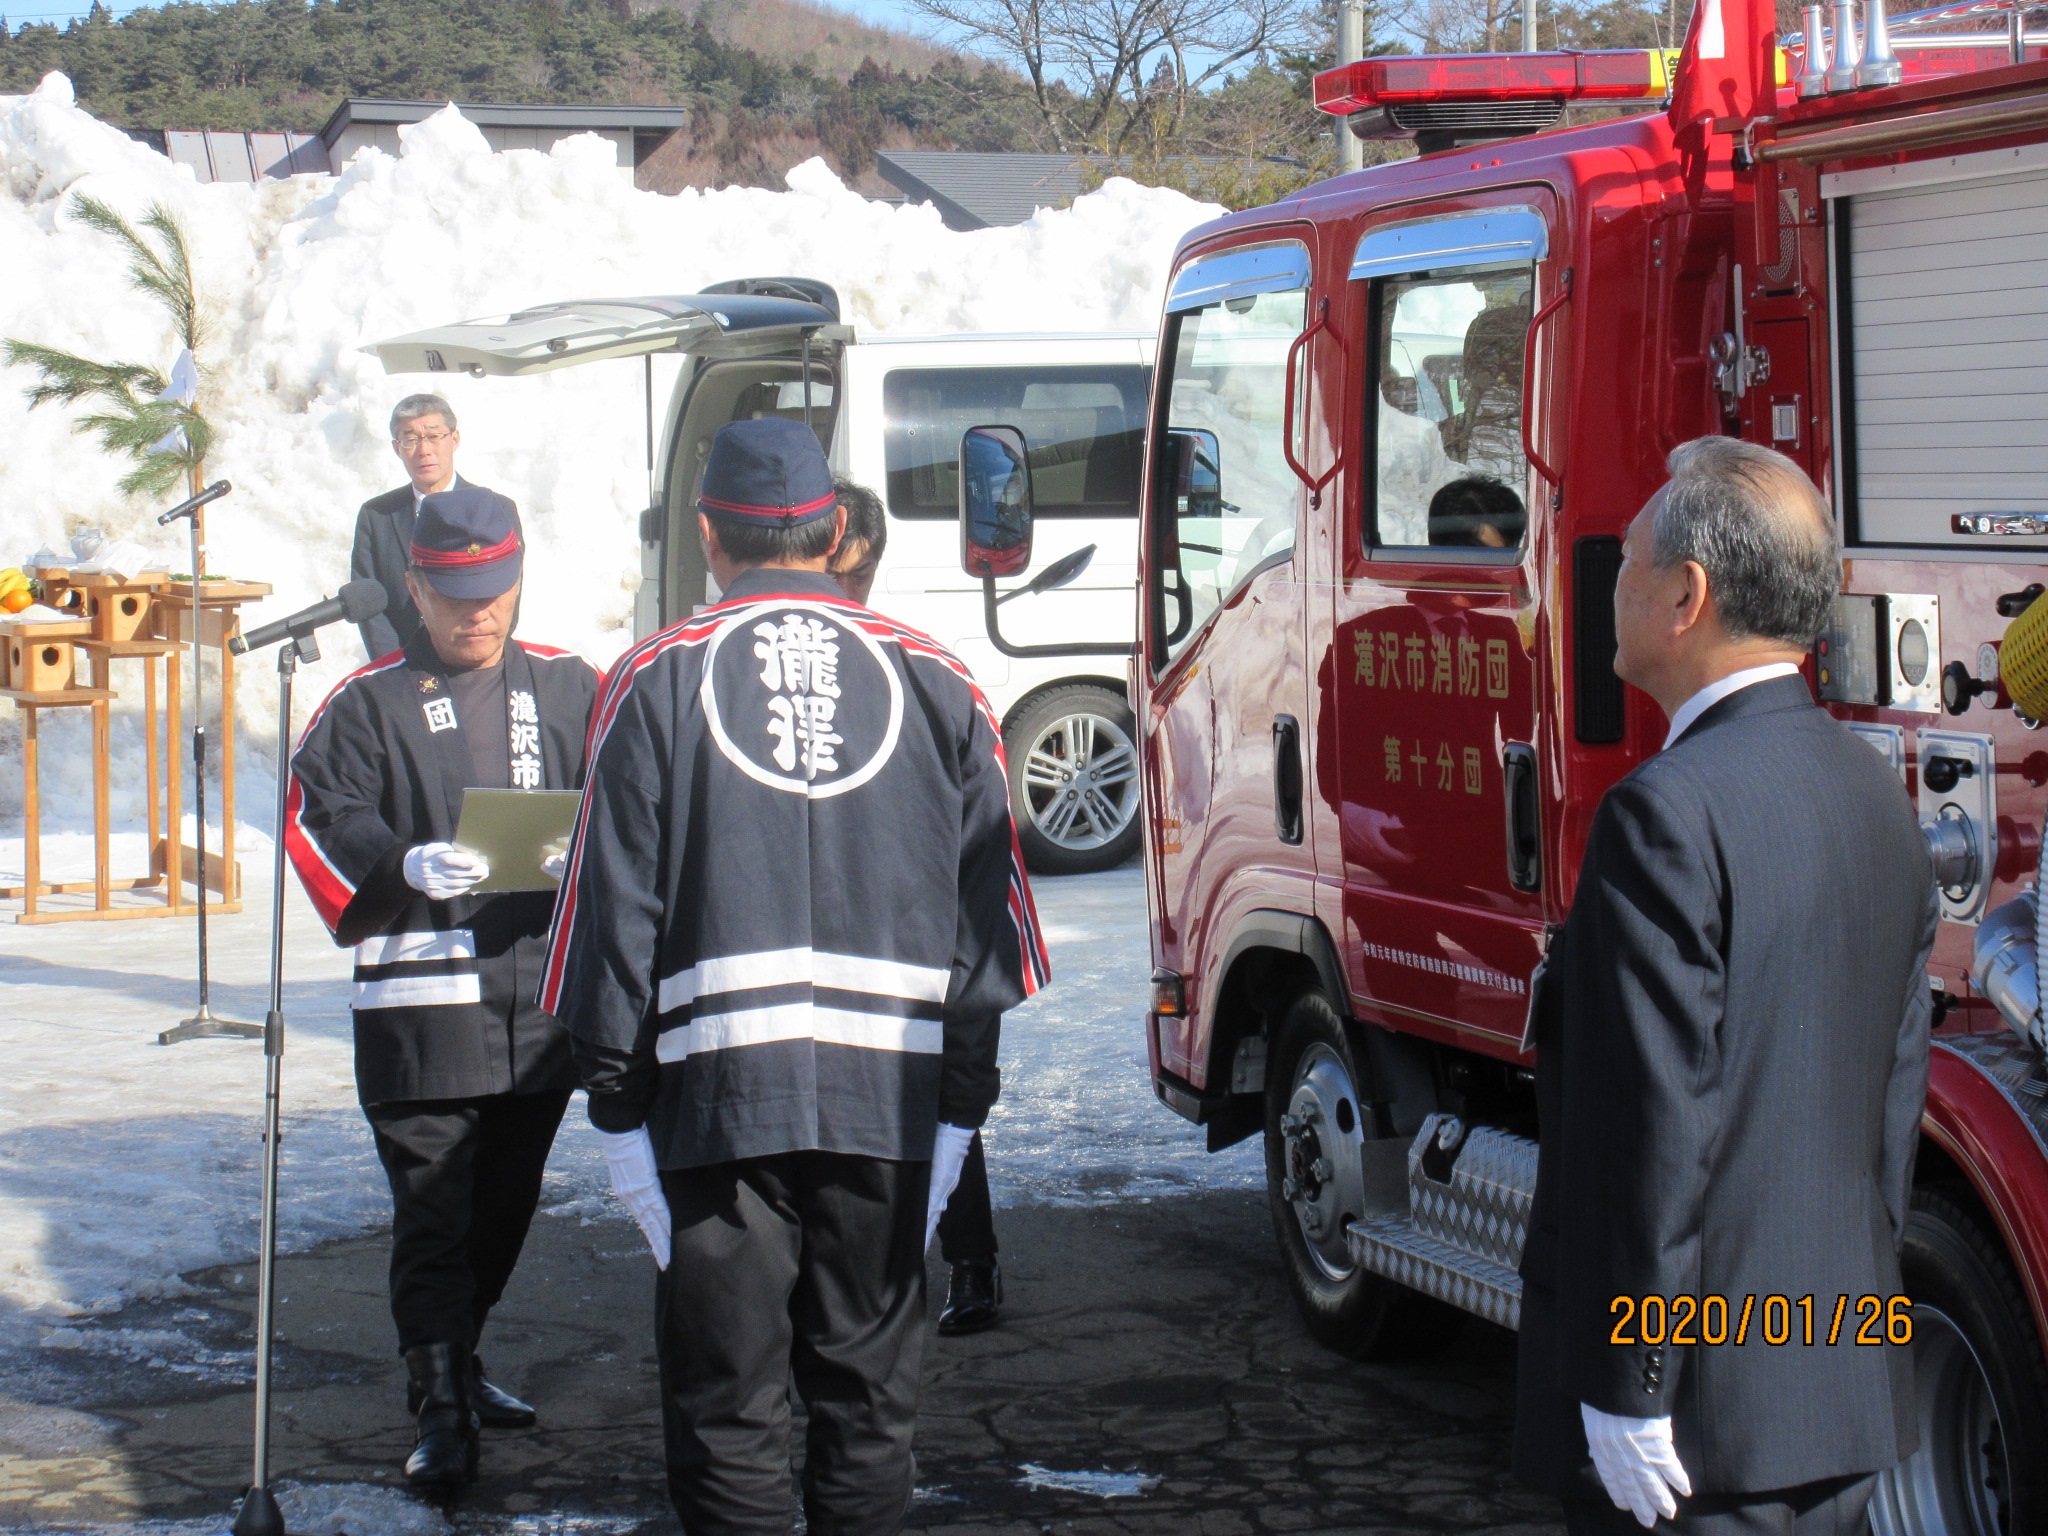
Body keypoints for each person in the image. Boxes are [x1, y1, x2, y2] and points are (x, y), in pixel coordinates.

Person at [541, 419, 1049, 1535]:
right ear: (830, 533)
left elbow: (611, 916)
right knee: (868, 1403)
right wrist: (962, 1110)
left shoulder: (654, 674)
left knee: (727, 1408)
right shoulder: (938, 676)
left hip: (715, 1101)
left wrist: (618, 1114)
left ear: (709, 535)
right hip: (893, 1101)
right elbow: (992, 922)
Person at [1512, 437, 1936, 1534]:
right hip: (1827, 1383)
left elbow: (1650, 1128)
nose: (1612, 579)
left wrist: (1630, 1385)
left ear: (1684, 597)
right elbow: (1887, 1112)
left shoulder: (1664, 813)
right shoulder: (1870, 788)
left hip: (1697, 1425)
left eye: (1628, 560)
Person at [287, 486, 599, 1489]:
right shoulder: (365, 701)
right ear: (414, 587)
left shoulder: (567, 688)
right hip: (421, 1001)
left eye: (495, 591)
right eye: (456, 593)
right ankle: (439, 1409)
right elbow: (315, 811)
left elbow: (631, 799)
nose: (478, 613)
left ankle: (459, 1358)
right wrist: (399, 864)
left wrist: (579, 844)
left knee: (503, 1207)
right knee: (433, 1210)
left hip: (536, 998)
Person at [827, 477, 1004, 1335]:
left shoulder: (923, 669)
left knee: (936, 1088)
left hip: (911, 918)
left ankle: (969, 1259)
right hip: (823, 918)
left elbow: (982, 833)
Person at [351, 394, 524, 659]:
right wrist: (394, 666)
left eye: (433, 436)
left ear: (454, 439)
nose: (424, 451)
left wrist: (478, 655)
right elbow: (370, 603)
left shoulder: (495, 508)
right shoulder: (377, 515)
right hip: (401, 667)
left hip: (474, 661)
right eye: (410, 440)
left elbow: (509, 589)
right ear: (397, 448)